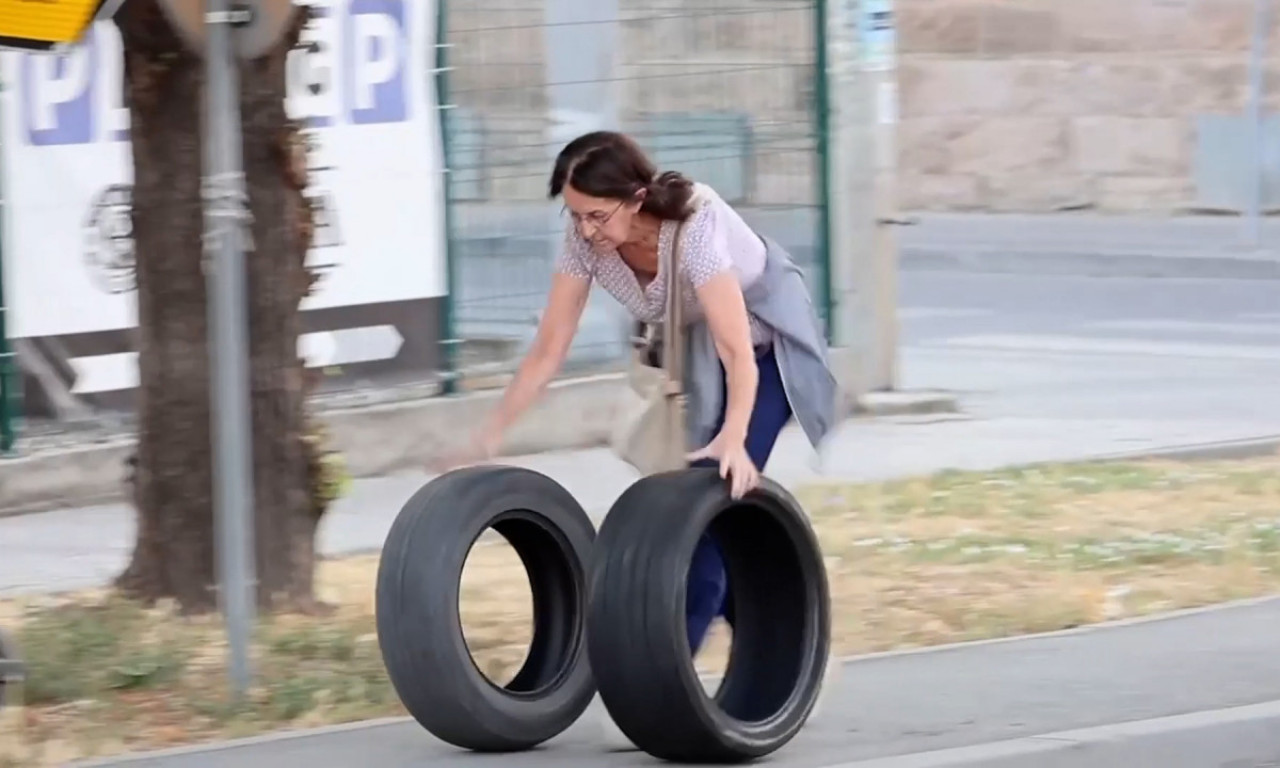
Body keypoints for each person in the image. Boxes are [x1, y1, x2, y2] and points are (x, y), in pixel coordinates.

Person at [448, 130, 838, 656]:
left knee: (707, 501)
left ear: (636, 198)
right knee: (695, 509)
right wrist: (489, 435)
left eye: (597, 216)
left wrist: (734, 436)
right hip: (702, 355)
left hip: (767, 355)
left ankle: (666, 683)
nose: (586, 231)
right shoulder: (586, 240)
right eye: (574, 214)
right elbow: (548, 350)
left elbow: (738, 351)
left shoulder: (694, 228)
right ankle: (785, 654)